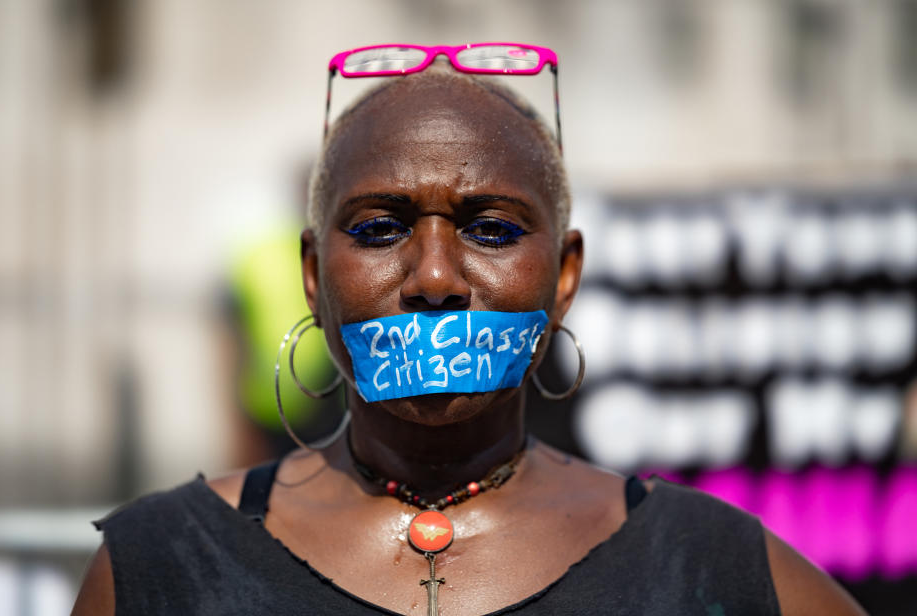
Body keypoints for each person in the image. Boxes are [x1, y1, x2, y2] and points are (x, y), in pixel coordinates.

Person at [73, 44, 864, 615]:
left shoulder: (715, 567)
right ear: (314, 276)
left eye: (491, 230)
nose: (437, 280)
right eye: (380, 229)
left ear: (563, 279)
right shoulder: (158, 566)